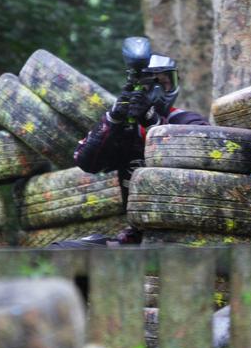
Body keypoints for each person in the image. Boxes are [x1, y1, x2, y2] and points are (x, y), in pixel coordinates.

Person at [50, 38, 209, 248]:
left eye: (164, 83)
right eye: (150, 84)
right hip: (138, 237)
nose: (157, 91)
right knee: (59, 251)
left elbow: (203, 154)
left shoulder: (187, 121)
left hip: (187, 235)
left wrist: (152, 121)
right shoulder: (125, 129)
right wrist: (113, 118)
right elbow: (86, 162)